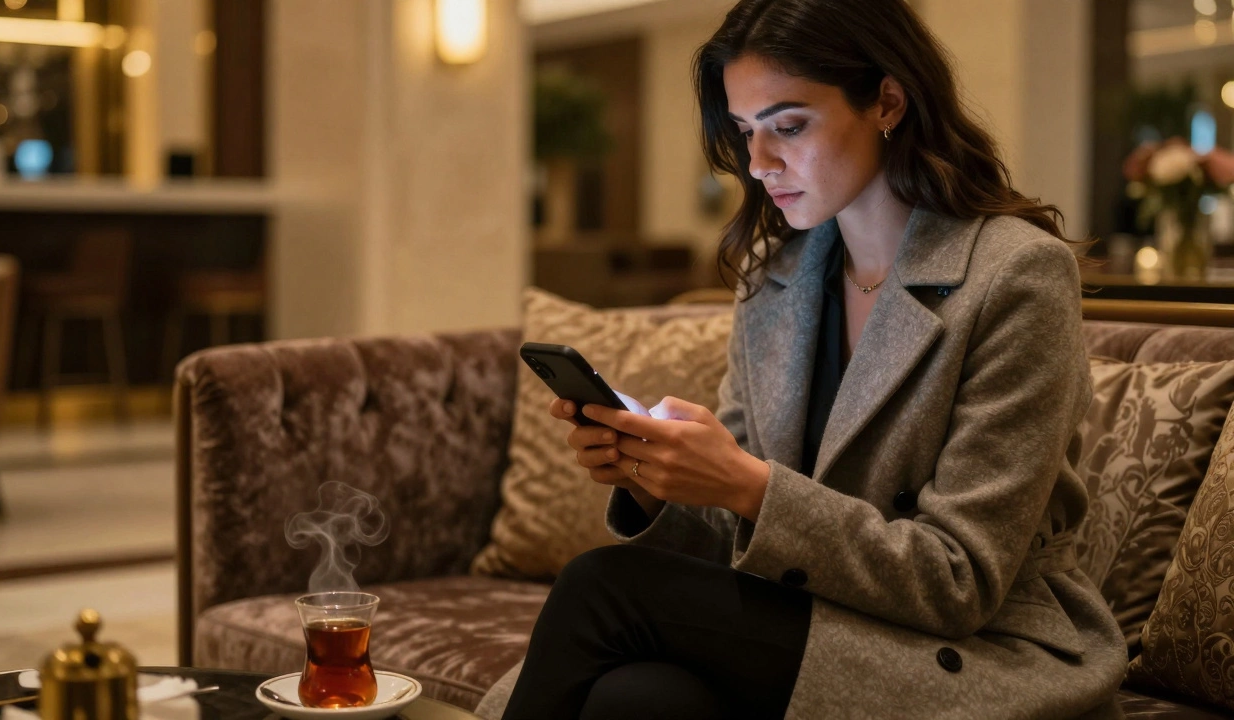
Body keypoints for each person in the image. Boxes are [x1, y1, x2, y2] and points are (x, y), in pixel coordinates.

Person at [478, 0, 1128, 718]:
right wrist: (663, 483)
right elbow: (751, 543)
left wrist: (749, 486)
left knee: (605, 585)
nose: (758, 164)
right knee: (639, 698)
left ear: (886, 101)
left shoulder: (1016, 276)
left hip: (980, 652)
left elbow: (959, 581)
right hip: (827, 623)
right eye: (745, 131)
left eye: (789, 126)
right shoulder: (775, 280)